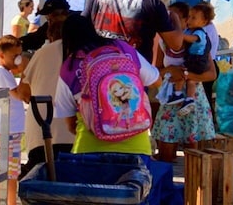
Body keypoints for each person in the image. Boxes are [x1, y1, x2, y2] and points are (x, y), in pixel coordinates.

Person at [53, 15, 162, 155]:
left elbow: (70, 124)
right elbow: (156, 81)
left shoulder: (70, 66)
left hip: (91, 149)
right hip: (137, 146)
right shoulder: (123, 49)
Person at [153, 4, 218, 164]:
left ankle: (194, 187)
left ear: (185, 21)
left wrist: (187, 75)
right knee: (165, 148)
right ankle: (166, 183)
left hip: (193, 98)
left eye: (174, 19)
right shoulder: (163, 43)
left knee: (193, 151)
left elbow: (211, 74)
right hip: (170, 98)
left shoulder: (197, 43)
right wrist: (170, 70)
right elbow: (156, 71)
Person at [18, 0, 75, 173]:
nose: (50, 21)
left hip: (46, 137)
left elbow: (24, 93)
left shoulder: (44, 52)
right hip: (72, 137)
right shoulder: (87, 52)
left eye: (52, 17)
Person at [0, 35, 27, 166]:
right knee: (9, 169)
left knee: (13, 167)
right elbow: (18, 94)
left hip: (12, 128)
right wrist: (24, 72)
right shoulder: (1, 73)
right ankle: (8, 188)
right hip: (7, 128)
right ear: (2, 56)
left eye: (19, 55)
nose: (17, 60)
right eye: (14, 57)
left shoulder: (7, 72)